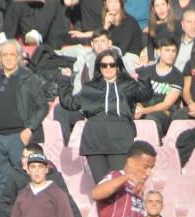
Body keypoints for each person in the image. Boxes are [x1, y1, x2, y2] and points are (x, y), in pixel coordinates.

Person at [60, 48, 153, 181]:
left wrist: (142, 72)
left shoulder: (128, 85)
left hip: (120, 140)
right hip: (94, 140)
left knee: (118, 183)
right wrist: (64, 81)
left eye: (112, 64)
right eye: (104, 65)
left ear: (118, 66)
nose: (108, 68)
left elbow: (145, 94)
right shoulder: (90, 87)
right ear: (99, 67)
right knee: (101, 185)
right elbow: (70, 103)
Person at [0, 40, 47, 195]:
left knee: (24, 181)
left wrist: (29, 130)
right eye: (5, 55)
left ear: (18, 57)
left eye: (12, 54)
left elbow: (42, 106)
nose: (9, 58)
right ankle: (3, 211)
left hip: (20, 137)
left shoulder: (30, 79)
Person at [0, 143, 83, 217]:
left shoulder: (54, 178)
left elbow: (66, 203)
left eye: (27, 158)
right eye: (23, 157)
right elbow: (6, 202)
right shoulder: (15, 175)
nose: (23, 160)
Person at [134, 37, 183, 139]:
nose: (171, 54)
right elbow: (138, 96)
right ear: (158, 52)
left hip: (164, 113)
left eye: (173, 51)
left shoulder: (178, 76)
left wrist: (144, 111)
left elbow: (166, 104)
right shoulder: (147, 71)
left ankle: (155, 145)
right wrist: (138, 109)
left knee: (151, 119)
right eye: (167, 50)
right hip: (144, 109)